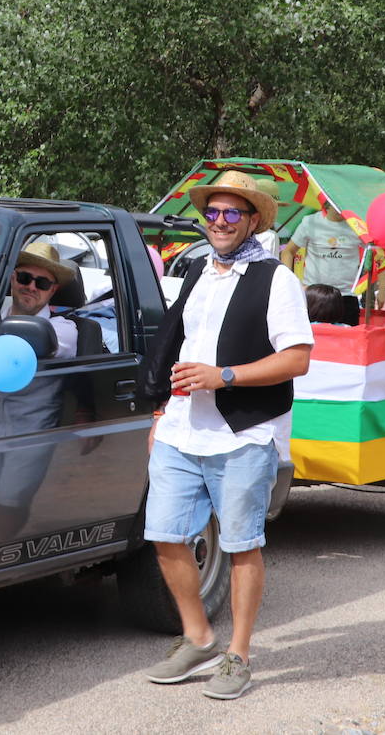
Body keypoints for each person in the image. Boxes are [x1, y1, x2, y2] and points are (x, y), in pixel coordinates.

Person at [140, 169, 313, 700]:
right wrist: (159, 413)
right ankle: (198, 637)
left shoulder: (275, 280)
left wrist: (226, 376)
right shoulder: (195, 271)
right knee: (165, 535)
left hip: (242, 436)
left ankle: (238, 655)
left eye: (231, 213)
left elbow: (298, 359)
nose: (218, 221)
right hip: (180, 432)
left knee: (241, 547)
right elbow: (177, 342)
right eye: (211, 213)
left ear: (253, 220)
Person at [3, 241, 77, 358]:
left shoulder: (62, 330)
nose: (31, 287)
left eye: (43, 283)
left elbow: (13, 353)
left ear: (53, 290)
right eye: (24, 278)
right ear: (13, 278)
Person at [280, 204, 362, 290]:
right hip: (315, 292)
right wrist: (290, 283)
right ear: (327, 202)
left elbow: (374, 250)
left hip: (348, 293)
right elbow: (287, 252)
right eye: (336, 202)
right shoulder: (311, 222)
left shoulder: (358, 224)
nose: (340, 206)